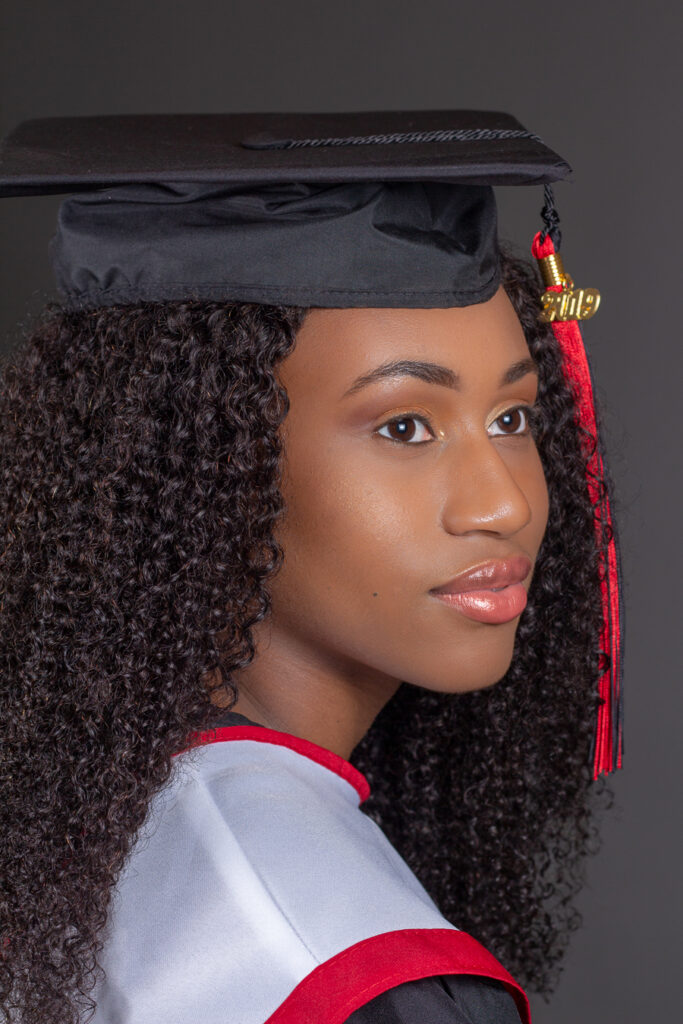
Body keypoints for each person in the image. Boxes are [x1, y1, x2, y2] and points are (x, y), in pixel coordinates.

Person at [0, 109, 624, 1024]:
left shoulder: (77, 831)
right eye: (404, 426)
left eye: (512, 419)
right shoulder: (358, 976)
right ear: (207, 463)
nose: (506, 504)